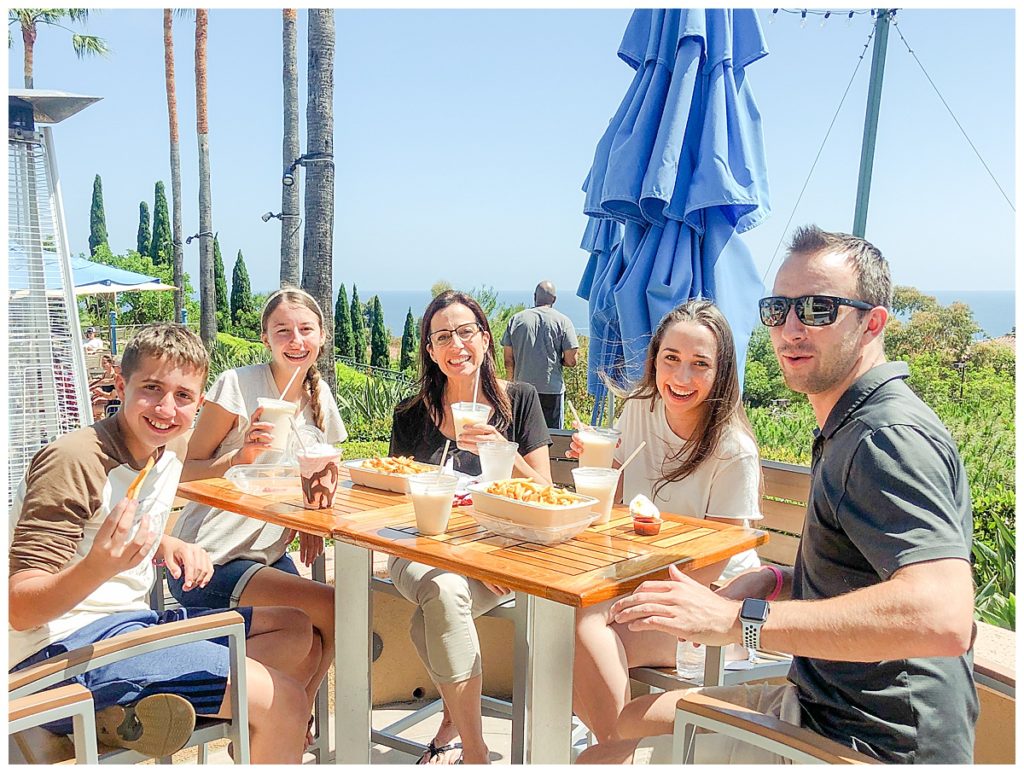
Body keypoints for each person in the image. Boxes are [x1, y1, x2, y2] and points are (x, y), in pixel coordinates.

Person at [577, 225, 977, 765]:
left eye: (818, 309)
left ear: (872, 322)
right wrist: (780, 579)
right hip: (819, 699)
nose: (791, 327)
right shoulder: (847, 424)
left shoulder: (884, 437)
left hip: (870, 739)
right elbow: (862, 574)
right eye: (779, 309)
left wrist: (737, 621)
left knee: (600, 756)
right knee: (629, 722)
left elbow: (943, 617)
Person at [8, 324, 316, 763]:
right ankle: (140, 708)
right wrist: (99, 567)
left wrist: (164, 543)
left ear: (199, 401)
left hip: (130, 629)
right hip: (57, 653)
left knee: (294, 627)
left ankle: (138, 707)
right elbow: (19, 609)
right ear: (120, 384)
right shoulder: (74, 462)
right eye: (152, 389)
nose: (167, 408)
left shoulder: (164, 451)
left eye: (184, 396)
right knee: (284, 700)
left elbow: (106, 522)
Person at [568, 299, 762, 744]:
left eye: (699, 364)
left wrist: (642, 593)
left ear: (721, 373)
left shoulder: (733, 451)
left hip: (712, 604)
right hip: (639, 581)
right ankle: (614, 748)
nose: (681, 377)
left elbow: (717, 561)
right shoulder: (640, 407)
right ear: (654, 358)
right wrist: (599, 468)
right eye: (670, 359)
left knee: (582, 634)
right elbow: (614, 506)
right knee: (562, 626)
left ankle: (614, 752)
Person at [171, 287, 346, 745]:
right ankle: (290, 723)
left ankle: (267, 730)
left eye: (306, 329)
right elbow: (181, 473)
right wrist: (239, 456)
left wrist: (308, 518)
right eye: (283, 330)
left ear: (321, 338)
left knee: (310, 642)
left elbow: (323, 468)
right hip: (210, 556)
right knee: (332, 606)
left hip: (265, 556)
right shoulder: (237, 385)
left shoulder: (319, 395)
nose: (296, 339)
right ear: (266, 338)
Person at [389, 290, 552, 764]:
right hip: (420, 550)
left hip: (497, 555)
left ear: (484, 340)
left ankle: (450, 728)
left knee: (436, 611)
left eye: (465, 332)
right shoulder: (410, 414)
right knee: (441, 587)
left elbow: (544, 491)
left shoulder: (519, 402)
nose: (455, 344)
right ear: (430, 350)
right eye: (442, 336)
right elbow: (396, 501)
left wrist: (504, 451)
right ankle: (478, 752)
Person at [501, 280, 579, 429]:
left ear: (534, 296)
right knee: (552, 436)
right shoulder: (563, 321)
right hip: (551, 390)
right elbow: (571, 360)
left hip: (521, 389)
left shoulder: (516, 319)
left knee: (521, 436)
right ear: (554, 300)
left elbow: (508, 360)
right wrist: (559, 361)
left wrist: (510, 386)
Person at [89, 353, 119, 420]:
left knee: (92, 408)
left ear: (110, 363)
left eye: (104, 363)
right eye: (102, 363)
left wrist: (100, 392)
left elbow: (112, 396)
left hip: (111, 402)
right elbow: (102, 383)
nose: (102, 365)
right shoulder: (105, 374)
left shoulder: (114, 376)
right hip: (106, 399)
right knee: (93, 403)